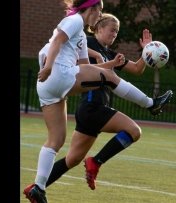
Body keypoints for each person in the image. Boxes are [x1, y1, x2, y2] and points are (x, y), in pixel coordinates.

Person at [23, 1, 173, 202]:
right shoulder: (75, 20)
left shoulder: (82, 37)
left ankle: (38, 188)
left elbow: (86, 67)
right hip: (57, 74)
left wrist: (111, 65)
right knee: (110, 78)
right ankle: (150, 104)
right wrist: (49, 66)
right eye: (99, 10)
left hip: (47, 86)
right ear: (91, 8)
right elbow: (58, 40)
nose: (100, 14)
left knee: (56, 140)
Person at [43, 13, 154, 193]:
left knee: (72, 159)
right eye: (112, 30)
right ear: (99, 28)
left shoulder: (109, 53)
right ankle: (95, 162)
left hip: (90, 111)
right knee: (133, 131)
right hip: (92, 106)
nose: (114, 34)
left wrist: (147, 51)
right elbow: (76, 48)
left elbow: (136, 68)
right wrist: (100, 57)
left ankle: (37, 187)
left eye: (117, 32)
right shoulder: (88, 41)